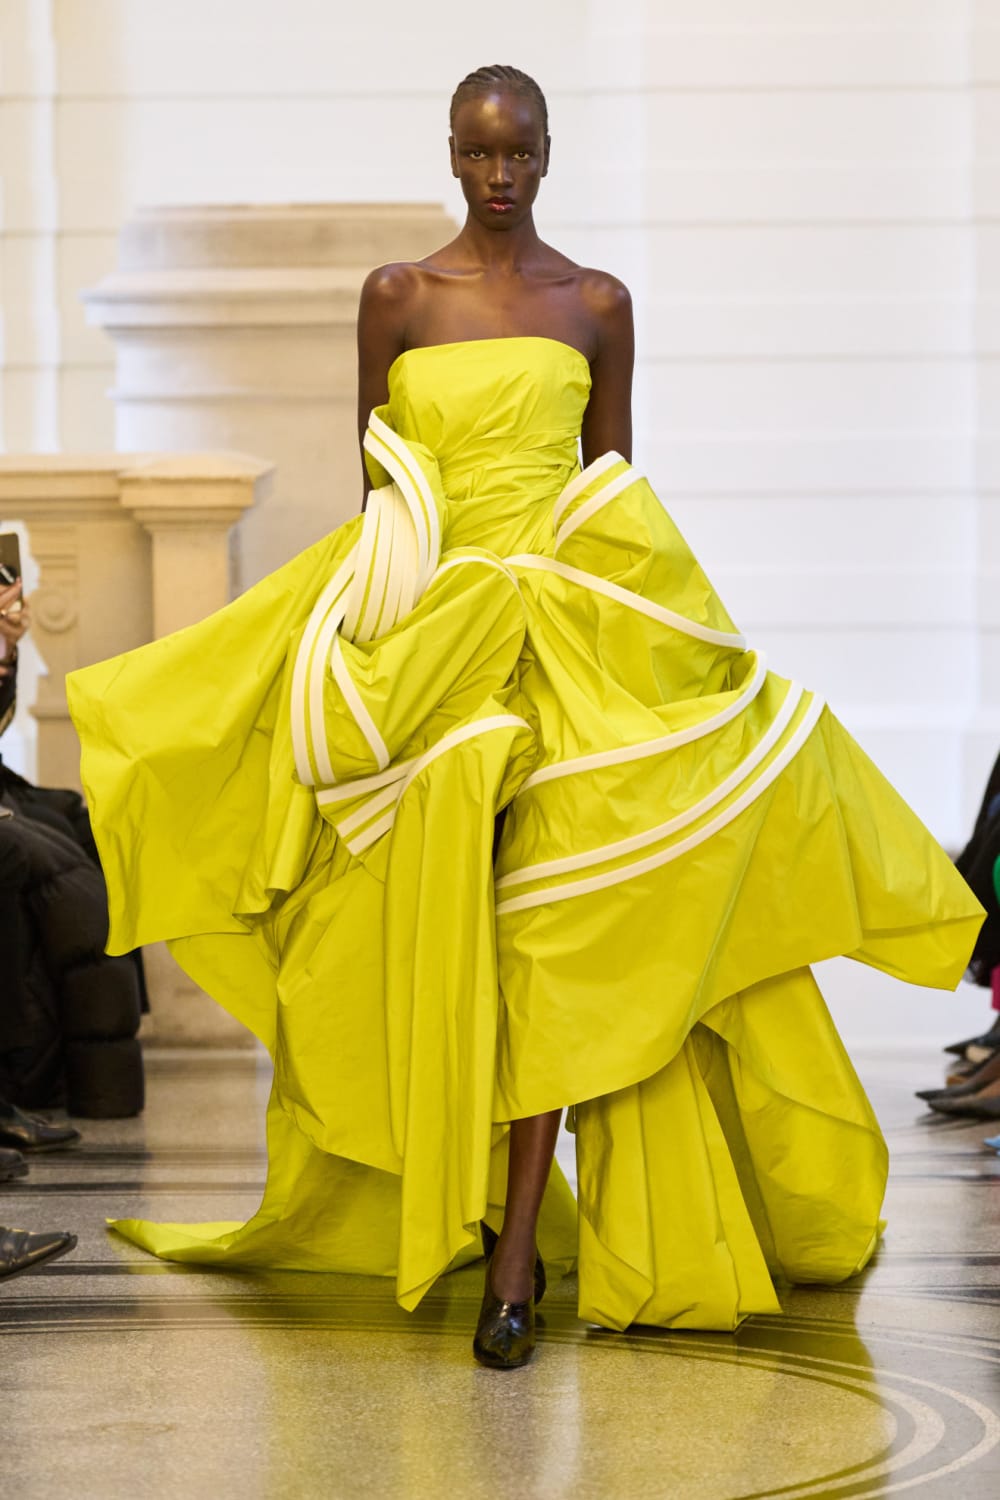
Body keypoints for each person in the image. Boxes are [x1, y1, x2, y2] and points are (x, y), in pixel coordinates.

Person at [66, 65, 984, 1370]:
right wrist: (377, 629)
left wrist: (666, 640)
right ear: (451, 155)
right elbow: (381, 478)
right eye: (482, 154)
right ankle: (472, 1205)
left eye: (523, 154)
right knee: (425, 907)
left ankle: (509, 1266)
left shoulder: (597, 302)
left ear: (549, 157)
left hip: (567, 629)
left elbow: (612, 484)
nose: (502, 175)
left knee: (559, 919)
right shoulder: (396, 295)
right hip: (442, 633)